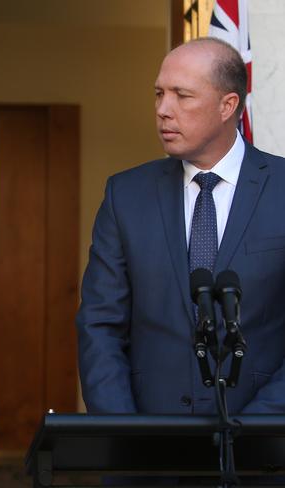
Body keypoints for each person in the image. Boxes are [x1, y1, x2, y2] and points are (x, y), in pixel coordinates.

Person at [77, 38, 285, 414]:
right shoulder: (125, 195)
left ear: (228, 105)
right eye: (159, 94)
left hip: (264, 452)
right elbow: (99, 325)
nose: (163, 110)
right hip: (144, 455)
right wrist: (123, 432)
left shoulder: (281, 189)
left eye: (181, 96)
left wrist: (255, 428)